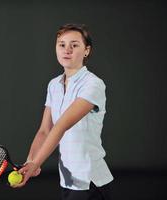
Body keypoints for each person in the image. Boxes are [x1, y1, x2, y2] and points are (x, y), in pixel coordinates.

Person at [12, 24, 114, 200]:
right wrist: (30, 162)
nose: (67, 50)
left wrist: (37, 162)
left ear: (86, 50)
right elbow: (45, 130)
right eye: (61, 44)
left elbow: (61, 126)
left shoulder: (93, 84)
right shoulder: (54, 85)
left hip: (91, 180)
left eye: (74, 45)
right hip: (67, 179)